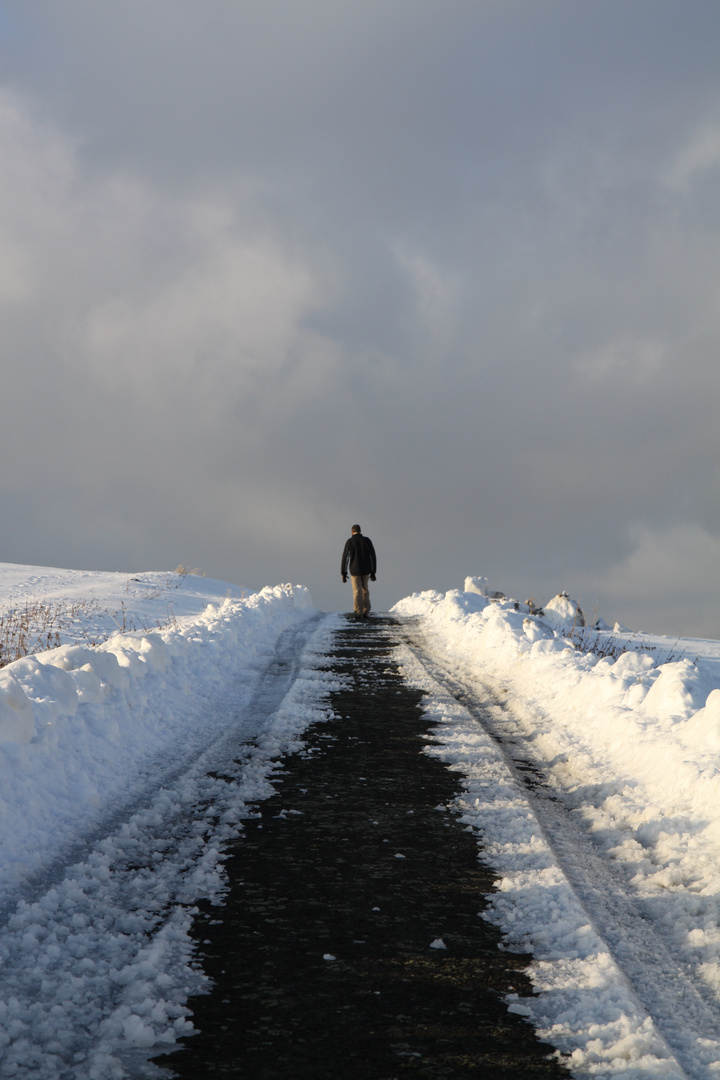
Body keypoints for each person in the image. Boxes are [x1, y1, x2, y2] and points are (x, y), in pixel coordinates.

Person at [341, 524, 377, 620]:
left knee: (357, 591)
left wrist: (343, 573)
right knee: (365, 589)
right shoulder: (367, 541)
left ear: (352, 532)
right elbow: (373, 556)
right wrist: (373, 571)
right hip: (366, 570)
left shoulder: (349, 542)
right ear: (360, 531)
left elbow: (345, 558)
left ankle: (358, 612)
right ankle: (366, 610)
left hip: (354, 571)